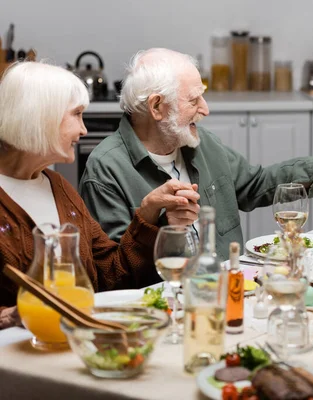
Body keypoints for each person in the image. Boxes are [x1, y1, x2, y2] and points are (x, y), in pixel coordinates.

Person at [80, 48, 313, 259]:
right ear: (157, 107)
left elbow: (256, 184)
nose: (206, 110)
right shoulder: (106, 170)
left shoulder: (200, 143)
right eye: (194, 99)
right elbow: (115, 274)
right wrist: (160, 228)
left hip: (228, 290)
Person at [0, 62, 199, 329]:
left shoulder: (59, 188)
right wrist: (10, 316)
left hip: (74, 347)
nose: (83, 130)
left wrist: (149, 212)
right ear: (41, 117)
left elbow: (112, 276)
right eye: (77, 114)